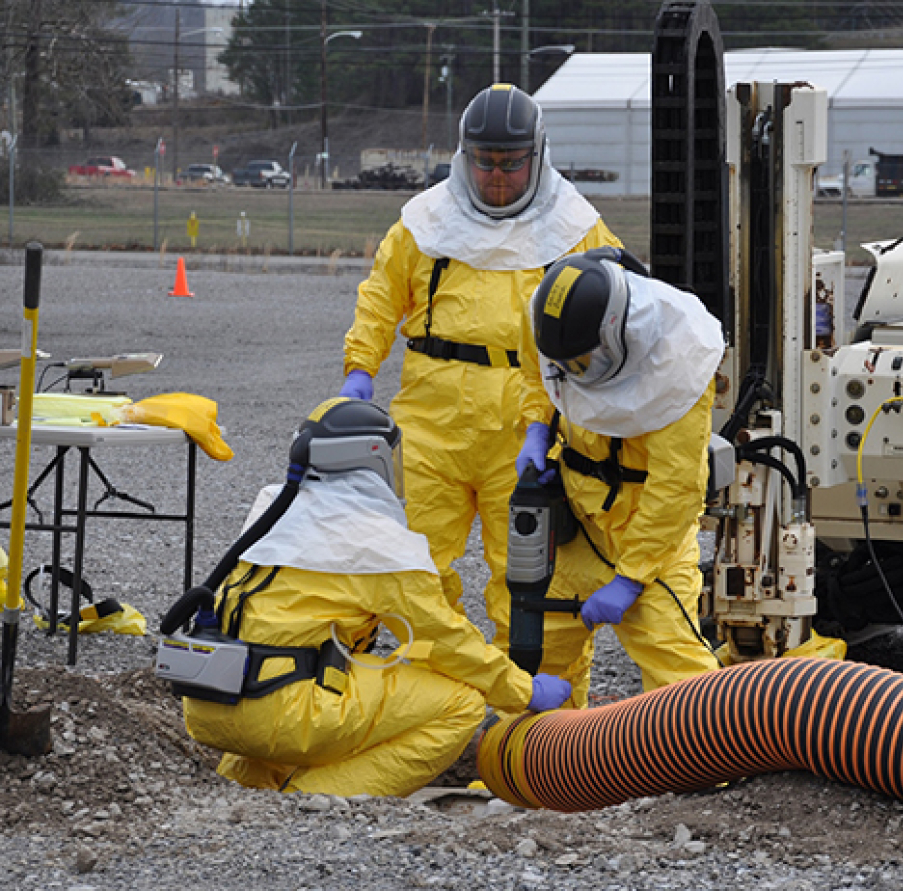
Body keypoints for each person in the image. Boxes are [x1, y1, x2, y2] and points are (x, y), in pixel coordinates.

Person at [338, 84, 622, 656]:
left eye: (512, 165)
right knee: (411, 563)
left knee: (529, 579)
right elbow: (380, 298)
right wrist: (359, 370)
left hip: (524, 429)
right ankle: (436, 689)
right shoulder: (424, 223)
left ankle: (540, 724)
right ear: (464, 156)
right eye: (485, 162)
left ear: (537, 157)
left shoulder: (575, 228)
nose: (497, 177)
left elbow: (622, 307)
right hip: (429, 425)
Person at [179, 398, 571, 797]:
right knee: (460, 704)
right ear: (373, 459)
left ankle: (245, 783)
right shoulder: (373, 541)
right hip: (282, 713)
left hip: (212, 704)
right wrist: (523, 690)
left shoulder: (276, 515)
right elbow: (446, 641)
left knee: (319, 669)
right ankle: (309, 801)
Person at [514, 247, 724, 705]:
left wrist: (630, 578)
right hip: (575, 526)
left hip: (648, 544)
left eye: (582, 365)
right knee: (539, 658)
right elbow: (538, 371)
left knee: (679, 674)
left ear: (615, 333)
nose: (573, 375)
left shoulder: (679, 363)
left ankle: (705, 771)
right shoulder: (547, 317)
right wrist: (535, 427)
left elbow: (676, 490)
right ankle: (536, 768)